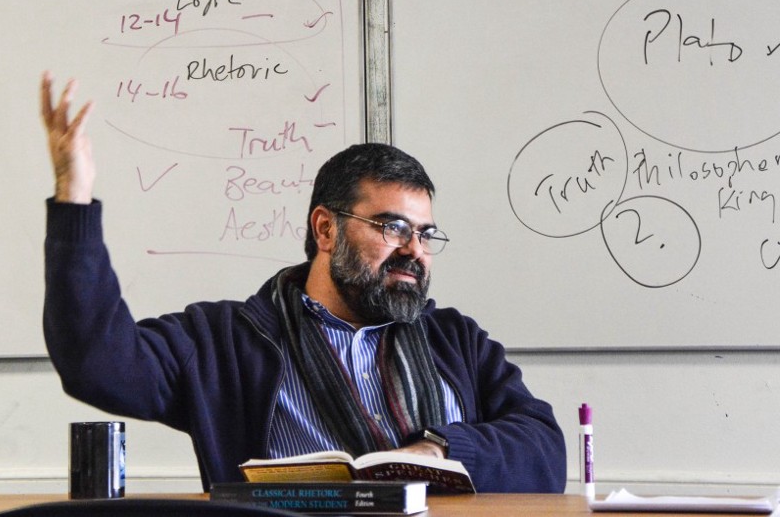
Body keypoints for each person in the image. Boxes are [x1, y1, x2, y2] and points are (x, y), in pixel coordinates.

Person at [40, 71, 567, 493]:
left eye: (426, 233)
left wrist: (439, 451)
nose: (414, 250)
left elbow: (544, 447)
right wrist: (74, 202)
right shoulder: (223, 341)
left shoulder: (453, 339)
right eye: (393, 227)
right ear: (325, 229)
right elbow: (96, 364)